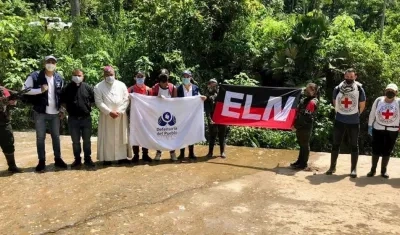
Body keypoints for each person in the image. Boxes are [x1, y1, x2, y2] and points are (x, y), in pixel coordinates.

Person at [23, 55, 67, 172]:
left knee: (56, 137)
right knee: (40, 138)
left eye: (53, 62)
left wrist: (62, 110)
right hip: (40, 112)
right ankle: (41, 161)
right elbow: (25, 89)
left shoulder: (59, 78)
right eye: (48, 61)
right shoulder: (35, 76)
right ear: (44, 63)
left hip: (55, 113)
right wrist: (39, 90)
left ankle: (58, 159)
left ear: (56, 65)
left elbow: (61, 96)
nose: (51, 64)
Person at [326, 68, 366, 178]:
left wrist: (356, 115)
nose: (349, 79)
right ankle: (332, 167)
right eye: (347, 77)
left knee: (354, 145)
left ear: (355, 77)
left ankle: (353, 169)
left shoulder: (359, 88)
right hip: (340, 120)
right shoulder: (338, 88)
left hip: (353, 121)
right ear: (344, 76)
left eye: (351, 77)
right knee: (335, 144)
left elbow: (362, 105)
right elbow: (335, 103)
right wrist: (342, 113)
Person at [94, 66, 131, 165]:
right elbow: (98, 102)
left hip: (120, 115)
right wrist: (109, 112)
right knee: (107, 137)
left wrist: (119, 111)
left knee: (121, 136)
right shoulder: (98, 87)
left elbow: (126, 99)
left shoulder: (122, 85)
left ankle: (122, 157)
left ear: (115, 75)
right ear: (103, 75)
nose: (109, 76)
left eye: (111, 74)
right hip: (107, 117)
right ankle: (107, 158)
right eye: (107, 75)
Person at [61, 69, 95, 168]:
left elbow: (93, 100)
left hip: (86, 118)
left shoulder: (88, 87)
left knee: (87, 141)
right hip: (73, 119)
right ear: (72, 76)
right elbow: (62, 101)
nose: (77, 77)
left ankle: (88, 159)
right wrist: (64, 111)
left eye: (79, 75)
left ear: (83, 76)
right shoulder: (67, 88)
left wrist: (86, 107)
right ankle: (77, 160)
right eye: (75, 75)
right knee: (75, 141)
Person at [367, 83, 400, 179]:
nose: (390, 92)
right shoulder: (378, 100)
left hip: (392, 130)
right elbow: (372, 113)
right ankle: (373, 170)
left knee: (387, 150)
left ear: (396, 92)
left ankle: (383, 170)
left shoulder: (398, 102)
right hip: (378, 128)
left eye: (393, 91)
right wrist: (370, 125)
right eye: (388, 90)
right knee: (376, 149)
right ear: (385, 91)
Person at [176, 70, 206, 161]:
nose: (185, 78)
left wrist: (203, 98)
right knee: (182, 134)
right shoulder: (179, 88)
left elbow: (199, 98)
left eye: (187, 76)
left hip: (192, 115)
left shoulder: (196, 88)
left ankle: (191, 153)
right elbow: (175, 101)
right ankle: (181, 153)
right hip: (182, 115)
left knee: (191, 133)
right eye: (184, 76)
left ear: (190, 77)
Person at [290, 83, 319, 170]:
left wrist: (296, 126)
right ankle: (299, 161)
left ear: (313, 91)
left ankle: (303, 164)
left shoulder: (312, 102)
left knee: (304, 144)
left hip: (305, 126)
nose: (305, 91)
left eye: (308, 89)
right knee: (301, 144)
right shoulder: (305, 100)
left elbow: (306, 117)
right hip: (300, 124)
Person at [151, 69, 178, 162]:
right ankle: (158, 152)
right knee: (159, 133)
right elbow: (150, 100)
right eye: (162, 78)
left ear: (168, 77)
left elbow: (176, 101)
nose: (163, 81)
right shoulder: (155, 87)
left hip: (170, 114)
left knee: (171, 133)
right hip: (158, 115)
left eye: (165, 78)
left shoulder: (173, 87)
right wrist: (157, 98)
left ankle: (172, 152)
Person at [127, 71, 153, 163]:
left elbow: (153, 103)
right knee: (135, 135)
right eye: (138, 76)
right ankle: (136, 155)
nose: (140, 78)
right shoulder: (130, 90)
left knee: (145, 134)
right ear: (135, 78)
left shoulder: (149, 90)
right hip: (134, 117)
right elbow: (125, 101)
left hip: (146, 117)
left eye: (142, 76)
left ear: (145, 78)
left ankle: (145, 154)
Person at [0, 86, 23, 173]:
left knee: (9, 144)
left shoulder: (3, 90)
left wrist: (12, 101)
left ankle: (12, 166)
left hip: (4, 122)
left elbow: (12, 104)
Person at [204, 78, 228, 159]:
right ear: (209, 85)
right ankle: (210, 153)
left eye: (214, 84)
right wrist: (209, 119)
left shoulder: (221, 94)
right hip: (212, 116)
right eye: (211, 84)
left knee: (222, 135)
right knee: (212, 136)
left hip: (221, 117)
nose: (212, 86)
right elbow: (207, 109)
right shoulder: (206, 96)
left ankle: (222, 152)